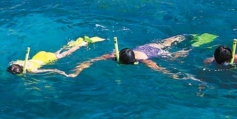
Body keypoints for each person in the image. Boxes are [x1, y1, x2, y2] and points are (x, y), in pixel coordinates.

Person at [66, 35, 197, 80]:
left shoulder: (144, 60)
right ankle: (182, 36)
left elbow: (158, 68)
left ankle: (188, 49)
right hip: (148, 46)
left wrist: (171, 75)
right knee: (165, 43)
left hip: (154, 52)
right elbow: (89, 62)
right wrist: (77, 71)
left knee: (173, 57)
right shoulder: (113, 56)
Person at [7, 36, 105, 75]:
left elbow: (51, 70)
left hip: (47, 59)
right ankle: (69, 45)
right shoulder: (17, 63)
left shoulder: (32, 70)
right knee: (57, 53)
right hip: (39, 55)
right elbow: (13, 63)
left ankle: (80, 45)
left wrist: (62, 73)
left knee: (65, 54)